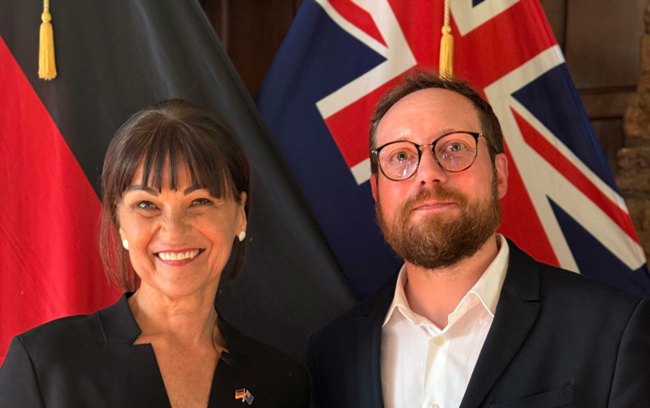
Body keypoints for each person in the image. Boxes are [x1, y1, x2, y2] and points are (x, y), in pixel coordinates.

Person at [308, 72, 650, 408]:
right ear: (377, 191)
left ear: (498, 175)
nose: (427, 173)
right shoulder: (333, 353)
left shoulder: (613, 332)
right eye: (400, 157)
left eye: (454, 147)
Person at [0, 99, 309, 407]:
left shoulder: (280, 383)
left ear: (240, 212)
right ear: (119, 221)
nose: (174, 230)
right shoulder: (44, 365)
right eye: (146, 205)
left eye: (200, 201)